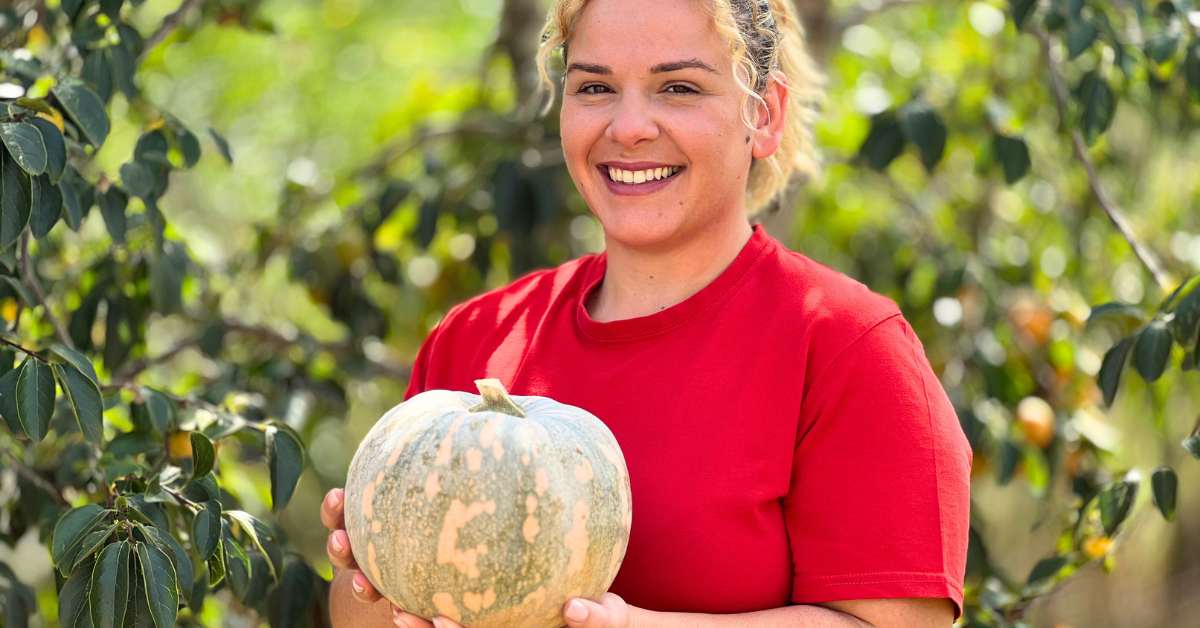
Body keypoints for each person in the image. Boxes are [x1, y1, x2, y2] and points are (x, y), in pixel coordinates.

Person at [322, 0, 972, 626]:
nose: (628, 127)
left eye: (679, 88)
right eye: (595, 88)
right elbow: (363, 618)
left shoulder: (849, 347)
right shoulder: (475, 341)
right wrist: (373, 574)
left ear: (765, 116)